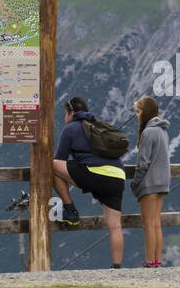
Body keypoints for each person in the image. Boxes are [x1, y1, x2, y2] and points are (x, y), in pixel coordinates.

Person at [52, 96, 127, 268]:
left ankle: (70, 210)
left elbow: (60, 160)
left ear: (70, 113)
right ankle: (117, 267)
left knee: (51, 165)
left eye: (65, 114)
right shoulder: (99, 125)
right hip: (117, 176)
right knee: (115, 226)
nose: (65, 118)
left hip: (94, 173)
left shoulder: (70, 129)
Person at [129, 95, 170, 268]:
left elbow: (143, 163)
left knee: (148, 224)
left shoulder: (148, 132)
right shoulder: (163, 130)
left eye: (138, 112)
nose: (137, 115)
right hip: (163, 182)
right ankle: (157, 260)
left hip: (150, 184)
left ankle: (149, 261)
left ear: (145, 112)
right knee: (156, 223)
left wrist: (135, 183)